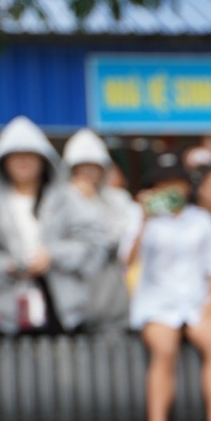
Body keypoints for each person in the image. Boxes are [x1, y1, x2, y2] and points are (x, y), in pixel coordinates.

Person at [123, 161, 211, 421]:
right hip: (156, 304)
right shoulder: (141, 218)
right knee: (164, 350)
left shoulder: (203, 221)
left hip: (197, 303)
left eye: (178, 183)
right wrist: (143, 220)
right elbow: (127, 260)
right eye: (164, 184)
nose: (173, 190)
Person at [0, 116, 120, 335]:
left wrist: (52, 255)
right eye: (15, 156)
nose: (23, 162)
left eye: (30, 155)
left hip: (66, 310)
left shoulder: (67, 199)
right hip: (12, 312)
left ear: (44, 160)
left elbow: (94, 241)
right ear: (3, 162)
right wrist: (10, 265)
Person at [61, 129, 133, 334]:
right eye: (83, 169)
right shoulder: (57, 202)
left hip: (111, 296)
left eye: (95, 168)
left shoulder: (118, 200)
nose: (89, 175)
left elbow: (116, 240)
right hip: (71, 296)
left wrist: (89, 203)